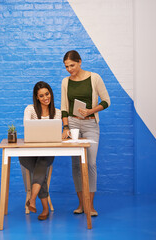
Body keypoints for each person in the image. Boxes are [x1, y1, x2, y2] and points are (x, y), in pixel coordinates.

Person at [61, 50, 110, 216]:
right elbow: (64, 108)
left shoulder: (94, 78)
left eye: (72, 65)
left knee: (90, 163)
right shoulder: (65, 82)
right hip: (73, 124)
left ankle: (90, 205)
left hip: (90, 125)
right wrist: (65, 127)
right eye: (66, 66)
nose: (69, 69)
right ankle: (81, 204)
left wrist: (90, 111)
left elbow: (106, 101)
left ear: (80, 62)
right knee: (76, 164)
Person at [19, 81, 61, 221]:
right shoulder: (30, 110)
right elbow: (27, 127)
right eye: (41, 95)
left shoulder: (57, 113)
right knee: (41, 171)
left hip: (47, 152)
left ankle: (32, 200)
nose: (45, 98)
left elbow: (56, 135)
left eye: (47, 94)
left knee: (41, 165)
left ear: (51, 93)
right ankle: (43, 208)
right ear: (37, 97)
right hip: (29, 153)